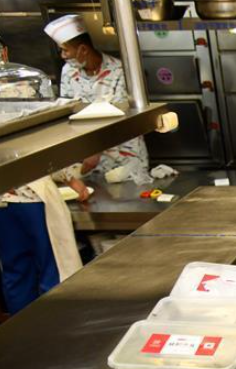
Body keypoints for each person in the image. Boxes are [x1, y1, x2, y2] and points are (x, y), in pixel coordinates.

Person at [0, 35, 84, 313]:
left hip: (3, 199)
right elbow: (44, 141)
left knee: (15, 270)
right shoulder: (23, 85)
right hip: (31, 195)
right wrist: (71, 177)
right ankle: (54, 326)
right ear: (5, 52)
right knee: (53, 267)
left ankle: (21, 331)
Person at [44, 14, 150, 182]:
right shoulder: (68, 72)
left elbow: (122, 116)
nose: (63, 55)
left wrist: (96, 150)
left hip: (126, 159)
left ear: (83, 50)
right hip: (89, 162)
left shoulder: (119, 71)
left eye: (66, 50)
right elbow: (67, 113)